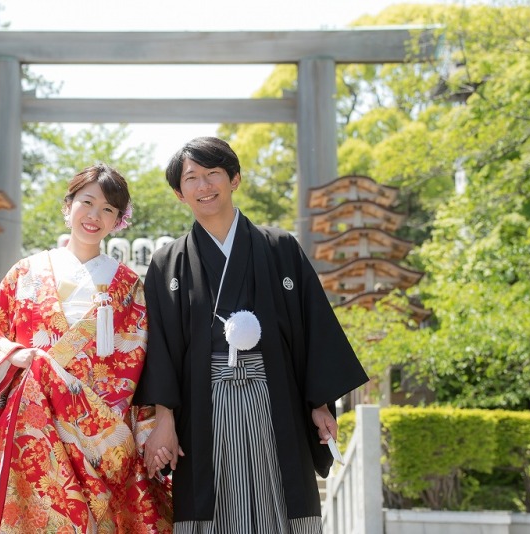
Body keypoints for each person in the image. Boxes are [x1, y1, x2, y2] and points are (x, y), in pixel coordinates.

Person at [133, 137, 369, 533]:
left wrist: (320, 404)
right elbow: (163, 348)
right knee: (211, 510)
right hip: (203, 406)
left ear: (235, 179)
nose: (204, 186)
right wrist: (164, 419)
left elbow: (312, 326)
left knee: (281, 502)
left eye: (214, 174)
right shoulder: (166, 263)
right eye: (192, 178)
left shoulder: (280, 248)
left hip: (274, 396)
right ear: (179, 193)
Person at [0, 163, 172, 533]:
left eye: (108, 210)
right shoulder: (27, 272)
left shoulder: (127, 284)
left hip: (100, 427)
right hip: (33, 422)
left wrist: (145, 428)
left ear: (118, 220)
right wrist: (15, 355)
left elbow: (140, 358)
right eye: (87, 202)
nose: (95, 216)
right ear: (67, 205)